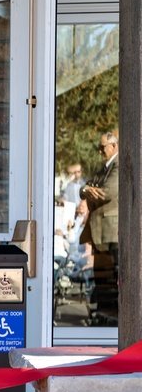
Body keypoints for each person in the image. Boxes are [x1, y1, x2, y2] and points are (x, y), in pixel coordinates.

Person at [79, 130, 118, 324]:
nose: (100, 151)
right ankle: (103, 318)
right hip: (100, 233)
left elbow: (107, 193)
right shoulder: (104, 168)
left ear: (113, 146)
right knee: (102, 281)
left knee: (111, 281)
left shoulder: (117, 166)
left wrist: (90, 191)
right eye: (99, 147)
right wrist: (87, 189)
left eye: (102, 147)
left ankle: (110, 321)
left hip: (111, 233)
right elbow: (84, 188)